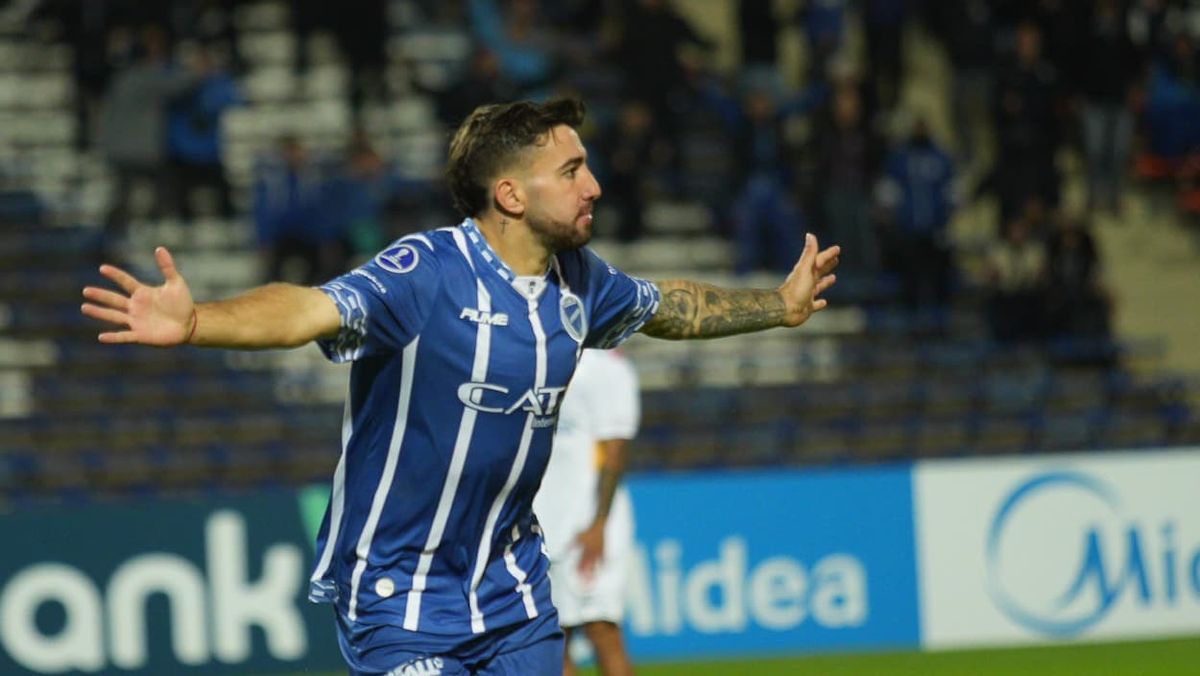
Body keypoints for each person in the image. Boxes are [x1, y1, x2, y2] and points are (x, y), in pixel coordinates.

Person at [81, 98, 840, 675]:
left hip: (514, 591)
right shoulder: (426, 273)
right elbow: (307, 309)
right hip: (399, 595)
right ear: (510, 195)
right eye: (571, 171)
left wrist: (780, 306)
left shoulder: (581, 282)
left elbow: (667, 306)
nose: (595, 186)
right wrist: (199, 322)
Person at [533, 348, 641, 676]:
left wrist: (599, 524)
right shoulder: (543, 358)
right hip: (545, 524)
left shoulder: (606, 367)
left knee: (602, 629)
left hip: (588, 522)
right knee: (551, 640)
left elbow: (615, 449)